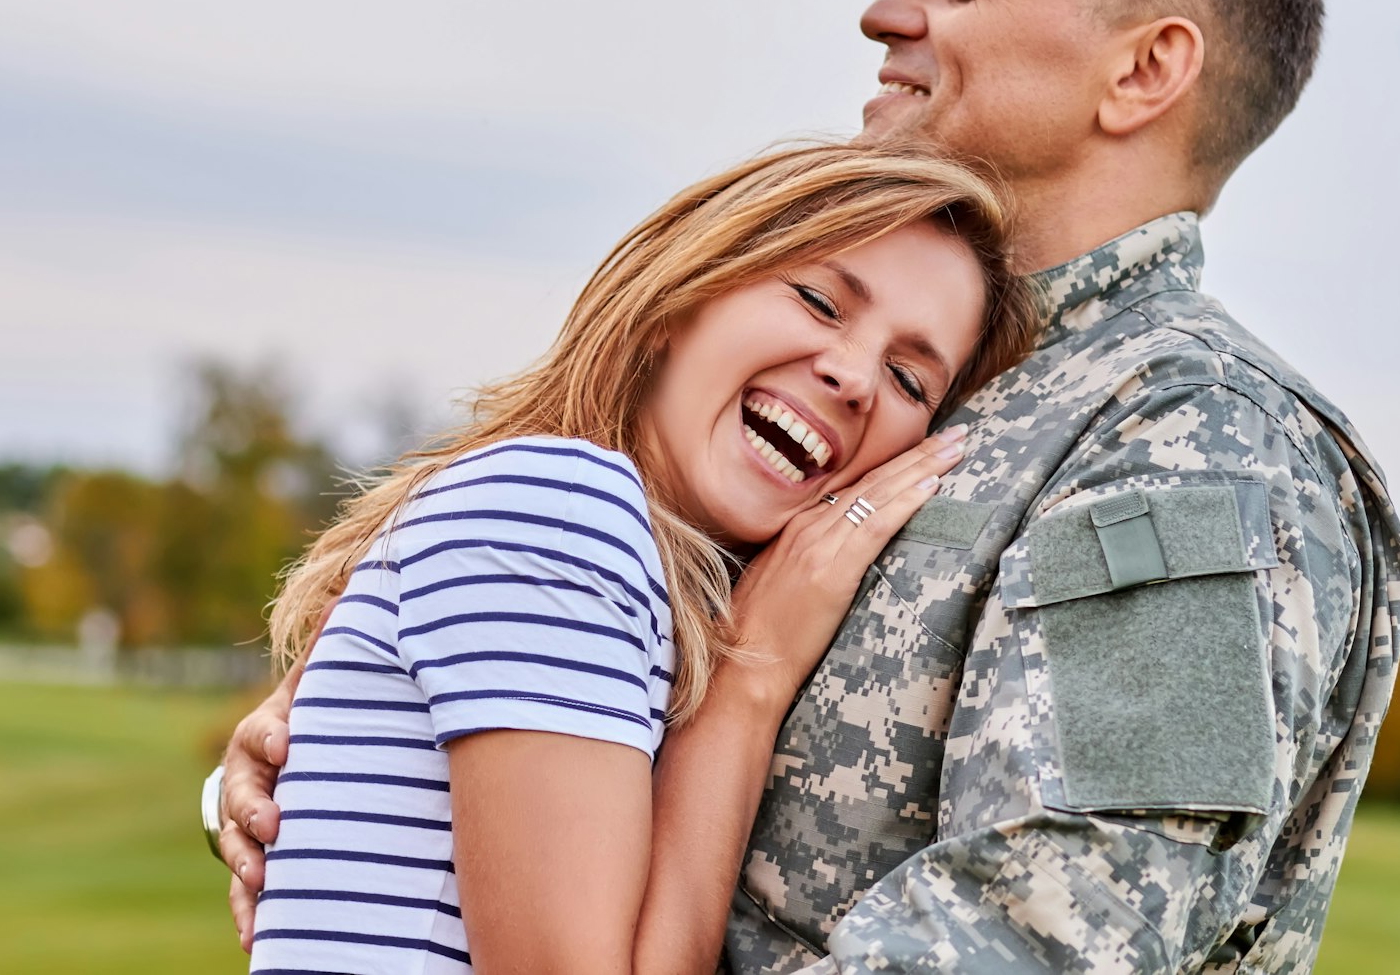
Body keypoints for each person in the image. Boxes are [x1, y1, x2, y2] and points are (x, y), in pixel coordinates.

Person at [215, 0, 1400, 973]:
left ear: (1144, 68)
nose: (886, 11)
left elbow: (1055, 930)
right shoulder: (900, 395)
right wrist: (350, 751)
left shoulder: (1191, 441)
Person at [242, 142, 1039, 973]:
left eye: (910, 380)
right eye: (818, 301)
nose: (854, 378)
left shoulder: (598, 547)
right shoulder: (563, 506)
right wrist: (749, 684)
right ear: (676, 299)